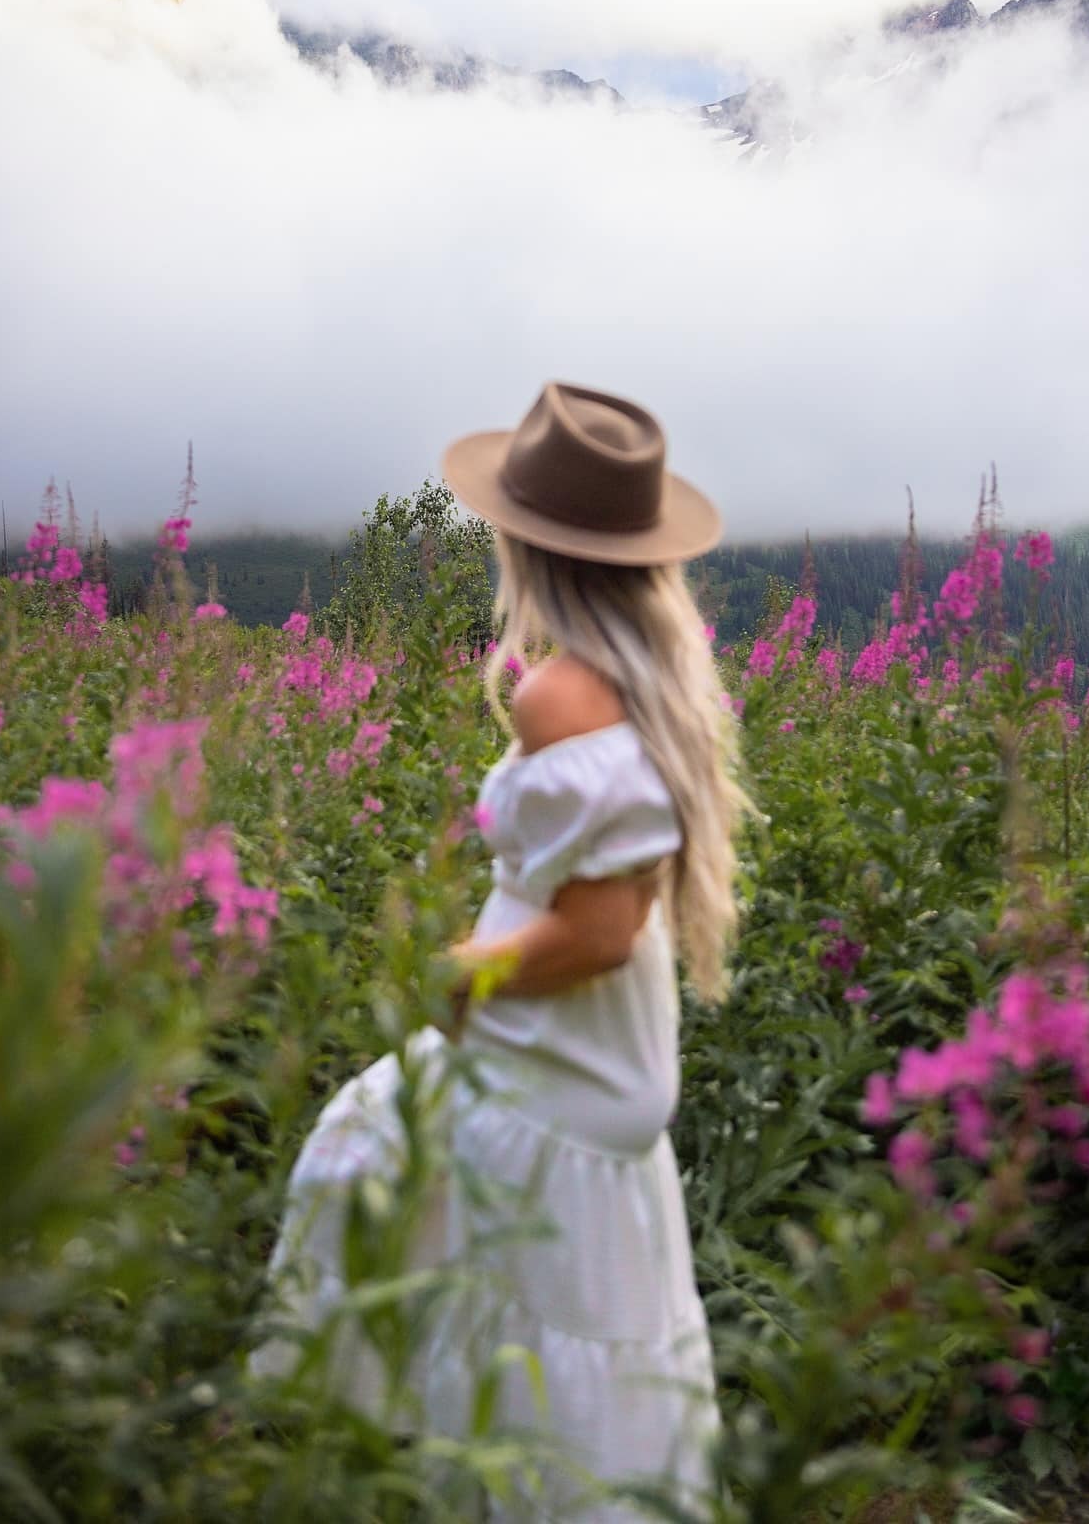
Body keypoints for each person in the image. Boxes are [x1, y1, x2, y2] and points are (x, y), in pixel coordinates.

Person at [250, 383, 744, 1520]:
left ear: (532, 549)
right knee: (564, 1311)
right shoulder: (646, 679)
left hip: (549, 1054)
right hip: (595, 1060)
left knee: (376, 1168)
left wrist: (453, 973)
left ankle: (382, 1453)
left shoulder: (561, 694)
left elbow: (601, 933)